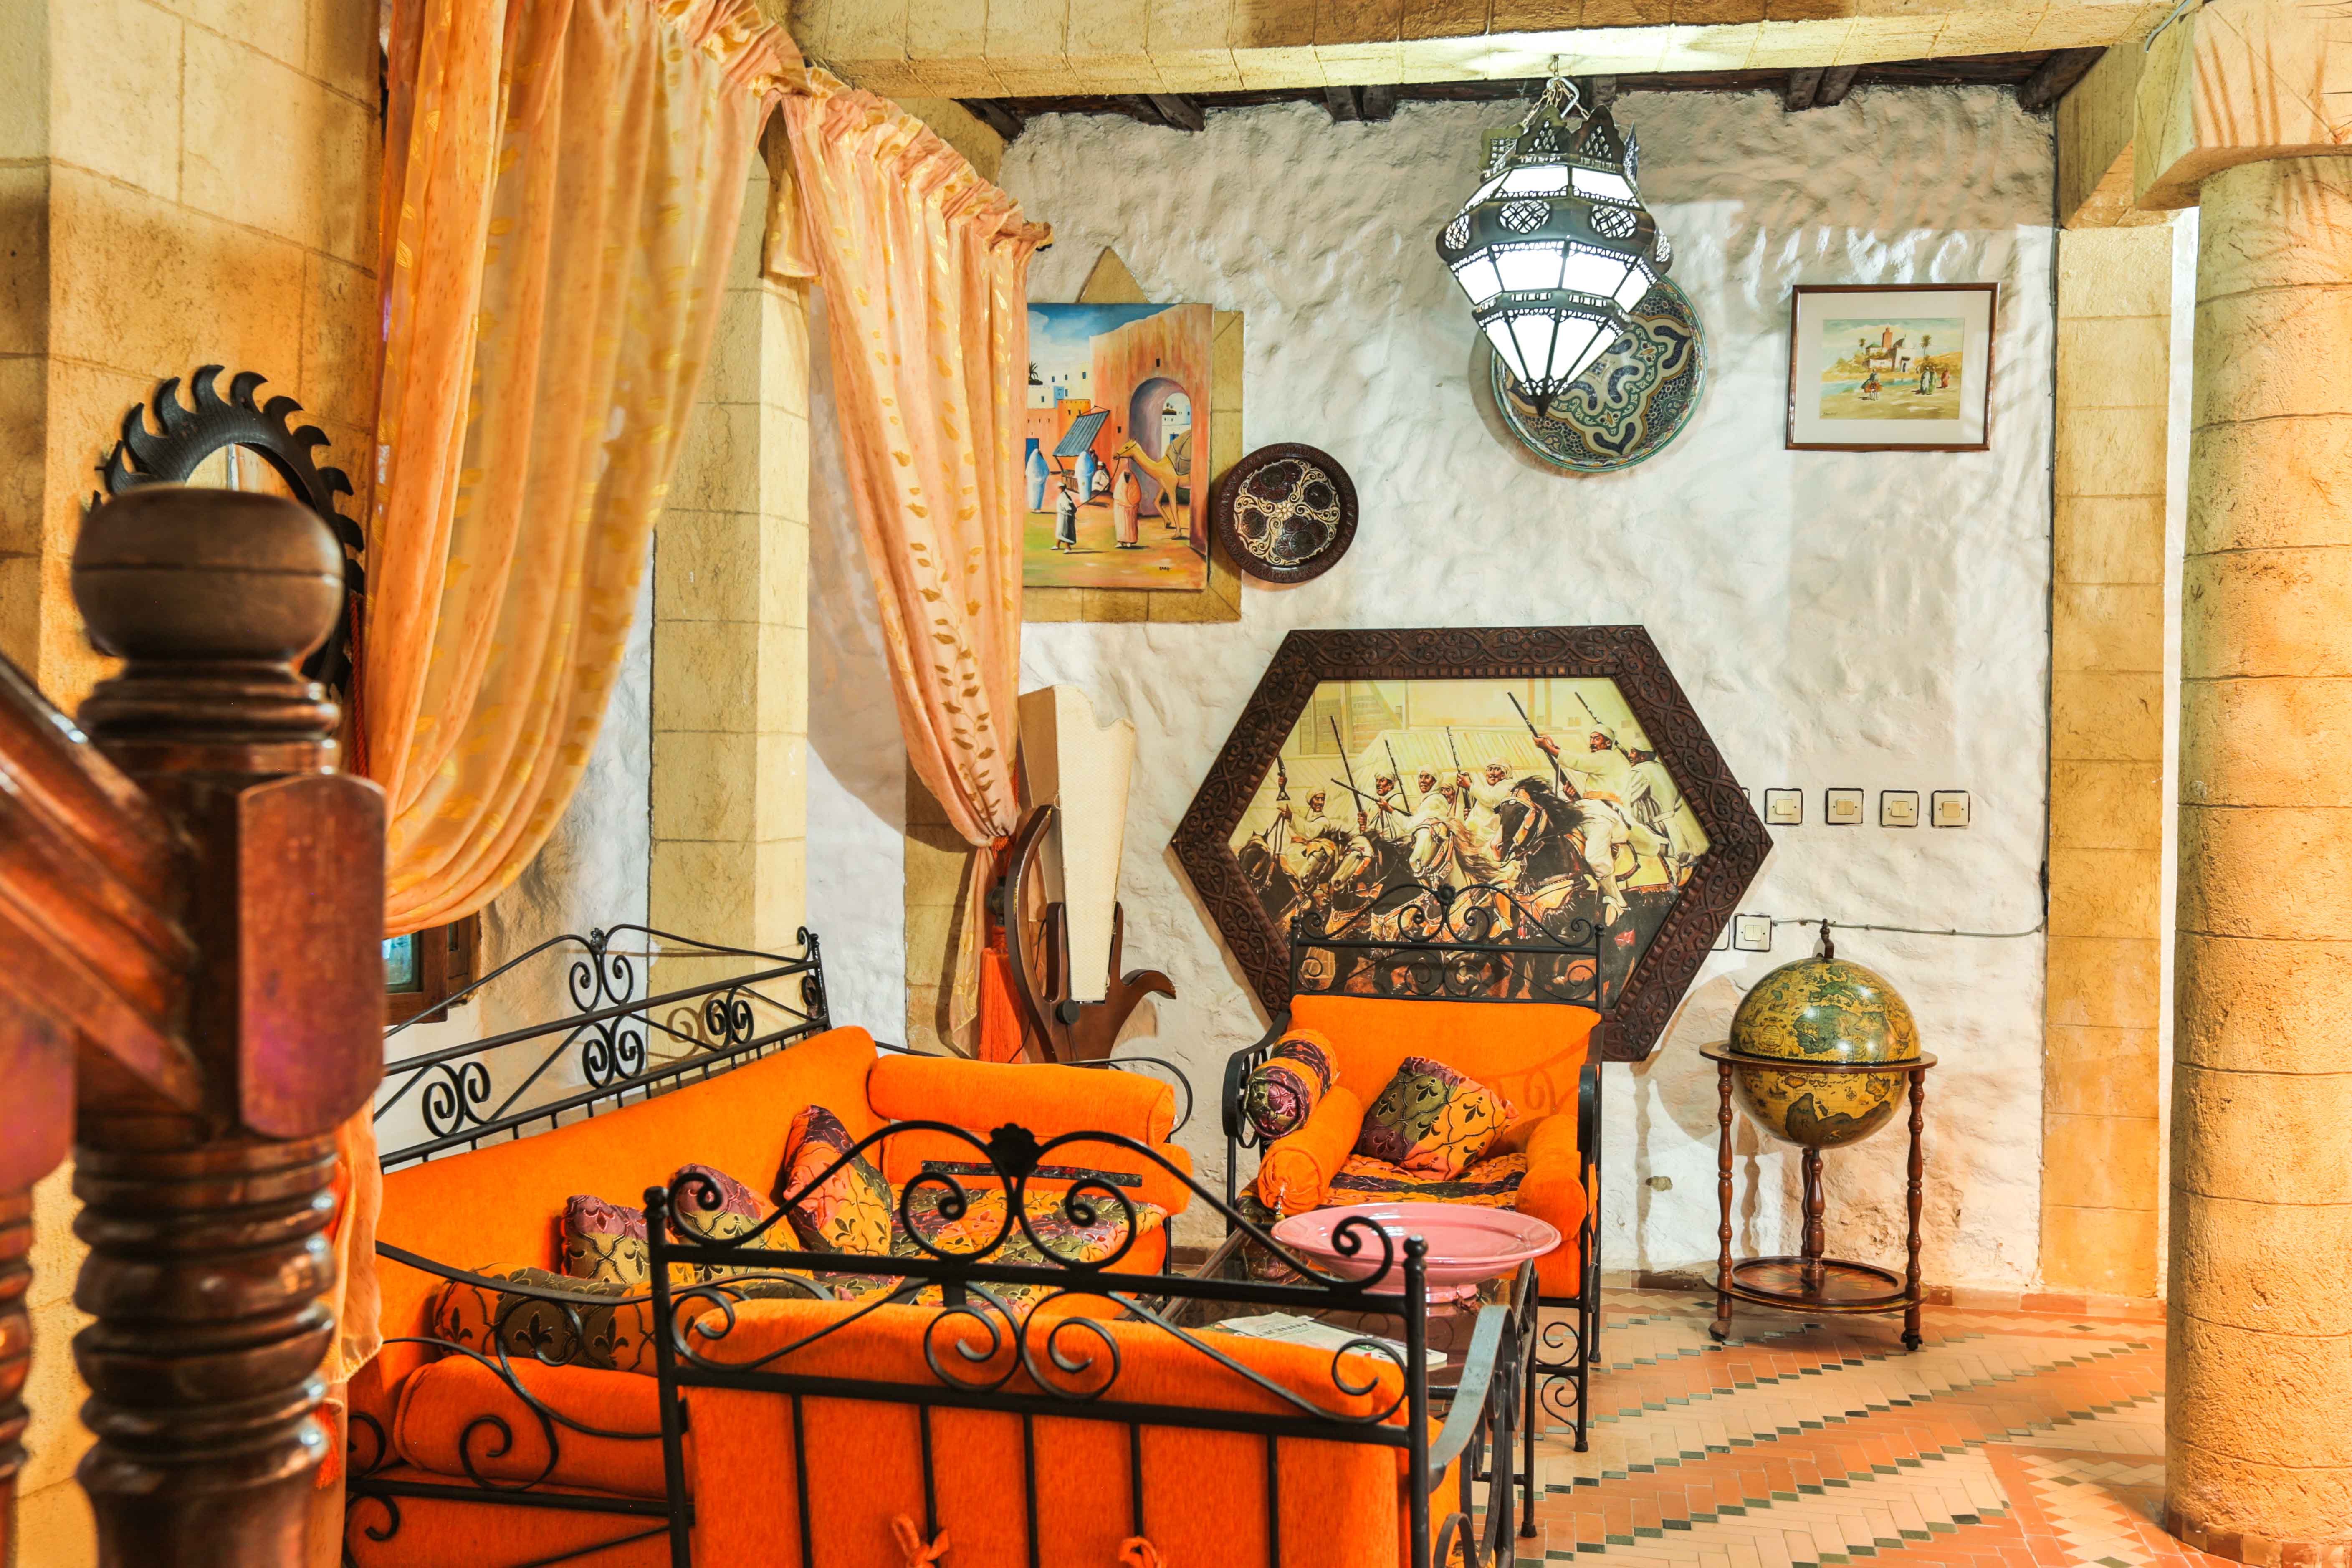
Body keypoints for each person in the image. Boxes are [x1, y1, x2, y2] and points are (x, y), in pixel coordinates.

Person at [1112, 461, 1141, 548]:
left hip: (1131, 510)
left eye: (1128, 475)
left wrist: (1132, 504)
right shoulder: (1120, 485)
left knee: (1131, 527)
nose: (1127, 477)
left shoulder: (1134, 484)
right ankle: (1121, 542)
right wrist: (1126, 503)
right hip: (1121, 509)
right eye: (1126, 475)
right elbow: (1117, 496)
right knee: (1121, 526)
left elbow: (1137, 495)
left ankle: (1130, 542)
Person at [1052, 477, 1078, 552]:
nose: (1059, 489)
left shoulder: (1064, 496)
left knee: (1063, 532)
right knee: (1061, 531)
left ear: (1062, 488)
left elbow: (1067, 506)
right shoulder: (1064, 495)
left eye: (1060, 488)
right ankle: (1057, 545)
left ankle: (1068, 548)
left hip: (1065, 516)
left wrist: (1070, 510)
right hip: (1063, 515)